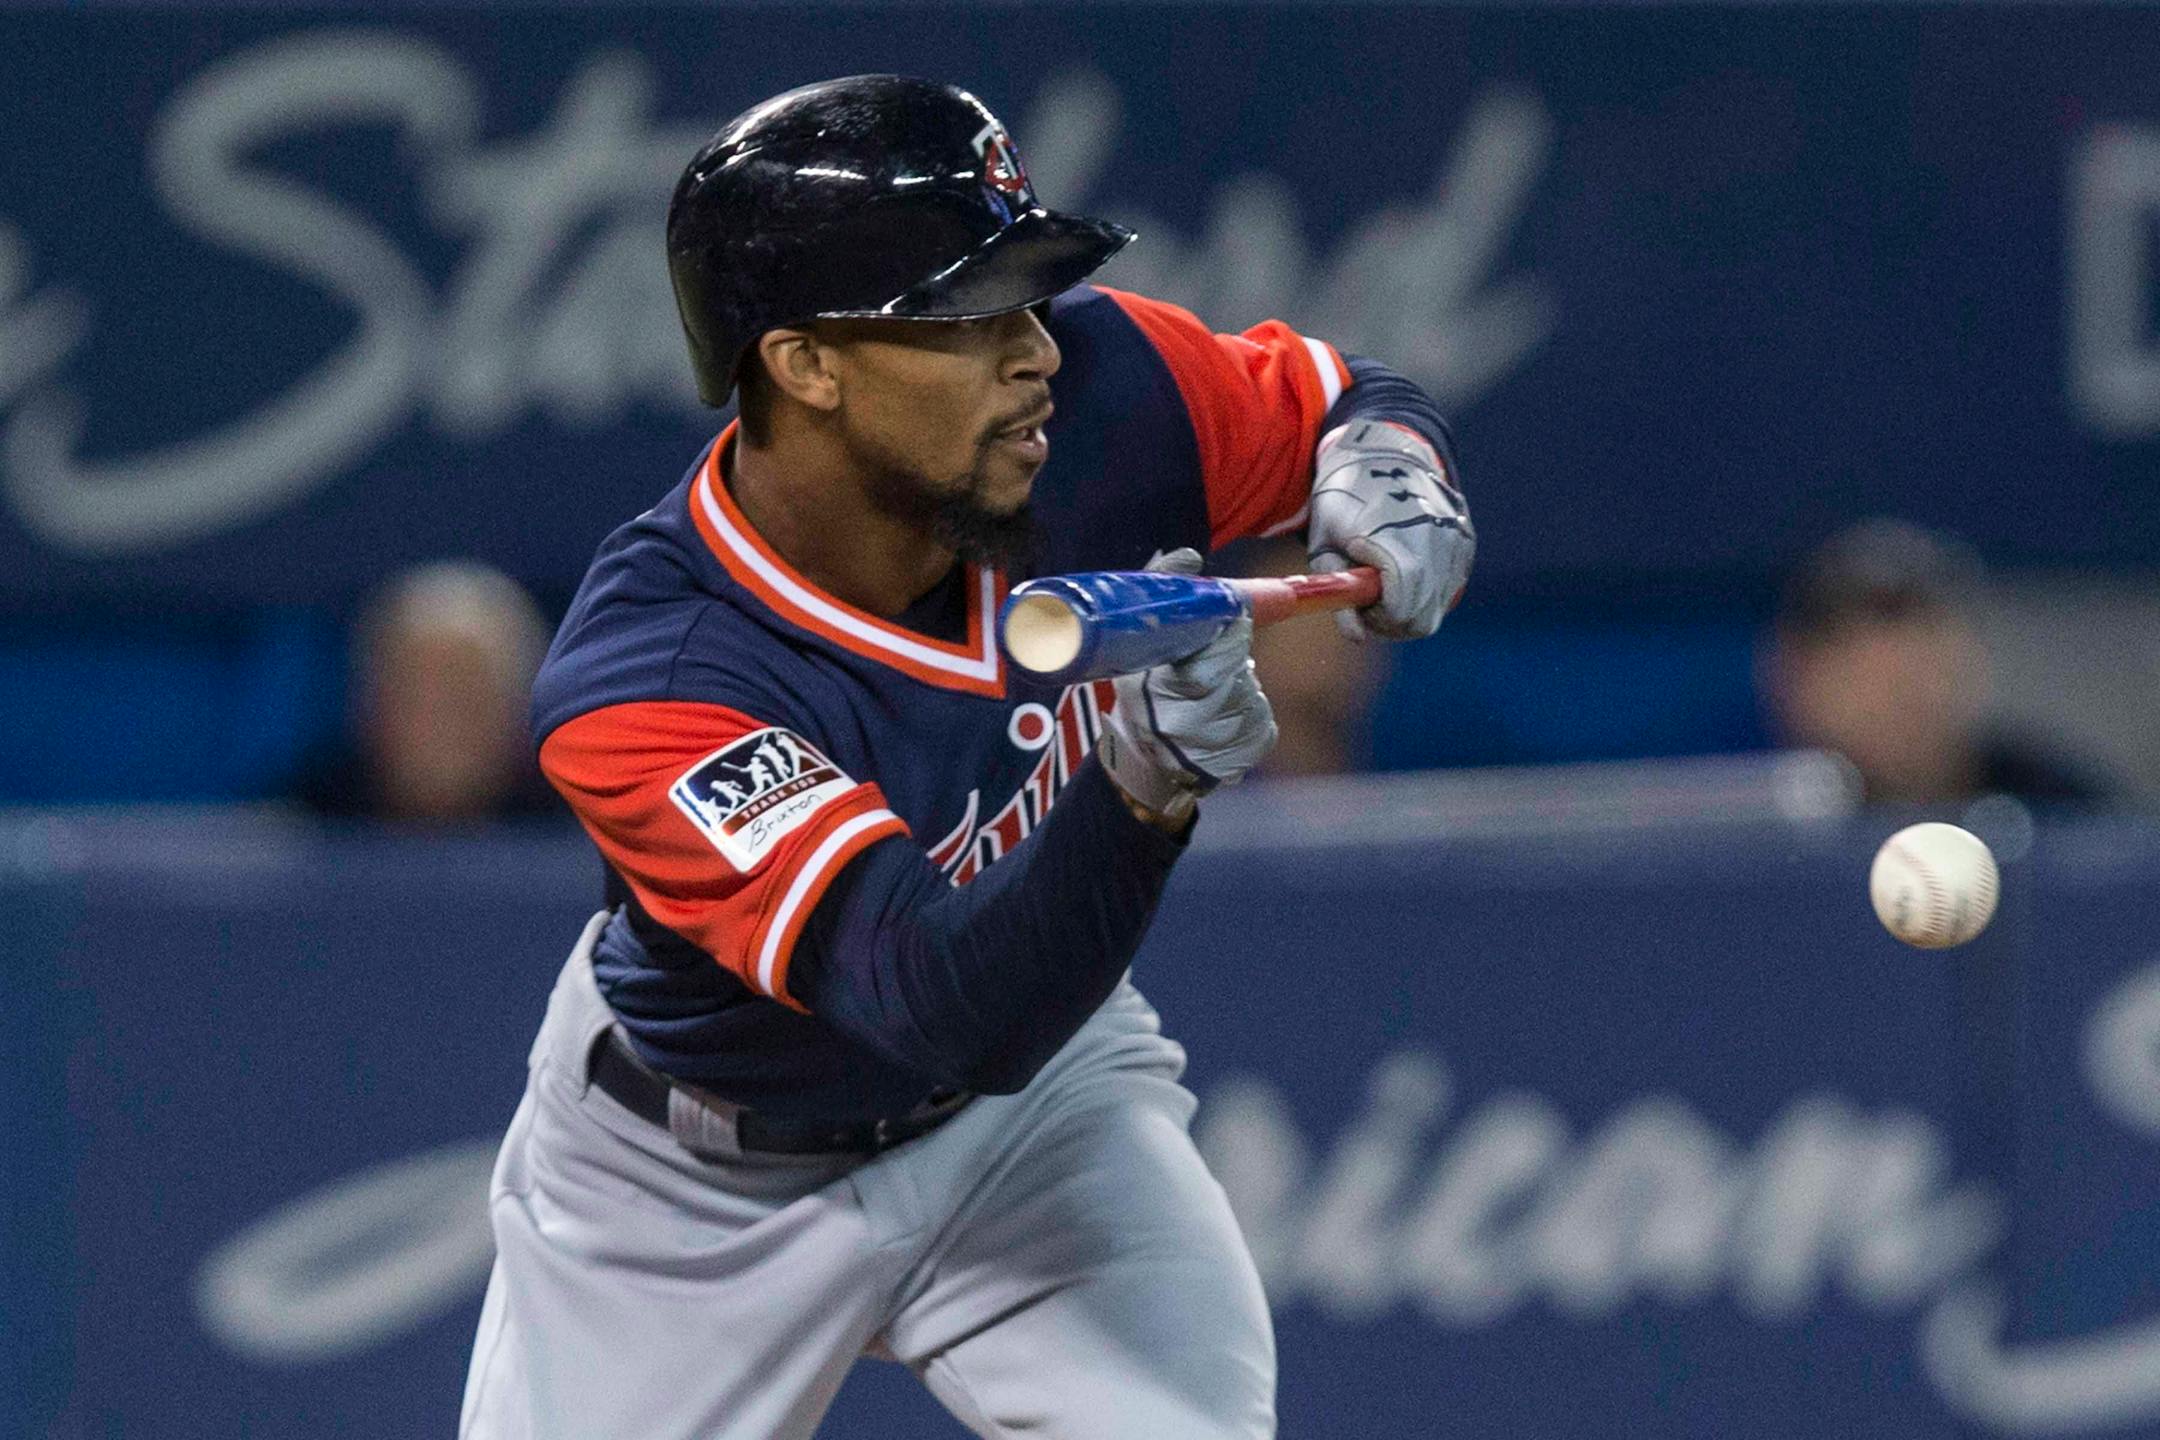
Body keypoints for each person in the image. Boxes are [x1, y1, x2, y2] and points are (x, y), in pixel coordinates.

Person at [460, 75, 1472, 1440]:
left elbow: (1342, 398)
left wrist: (1395, 468)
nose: (1035, 350)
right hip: (687, 1191)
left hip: (1030, 1126)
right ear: (803, 363)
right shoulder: (657, 685)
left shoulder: (1108, 397)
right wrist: (1143, 784)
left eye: (1032, 295)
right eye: (965, 314)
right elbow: (933, 996)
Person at [1760, 519, 2118, 808]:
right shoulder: (1755, 826)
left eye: (1917, 669)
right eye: (1861, 672)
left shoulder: (2062, 810)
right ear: (1794, 677)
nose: (1896, 693)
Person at [290, 561, 559, 825]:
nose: (444, 726)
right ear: (373, 710)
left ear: (517, 715)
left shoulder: (575, 835)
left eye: (465, 699)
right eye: (420, 701)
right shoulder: (304, 830)